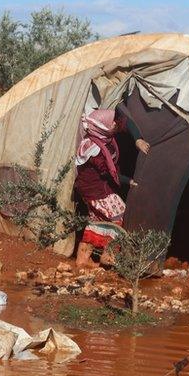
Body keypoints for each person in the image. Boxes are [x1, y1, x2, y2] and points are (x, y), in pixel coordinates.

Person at [73, 109, 149, 267]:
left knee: (97, 220)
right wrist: (128, 181)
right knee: (119, 215)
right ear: (102, 127)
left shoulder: (102, 139)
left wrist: (137, 139)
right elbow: (106, 171)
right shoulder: (94, 147)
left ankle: (83, 259)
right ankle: (109, 256)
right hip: (95, 191)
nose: (115, 124)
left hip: (96, 188)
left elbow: (127, 122)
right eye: (111, 122)